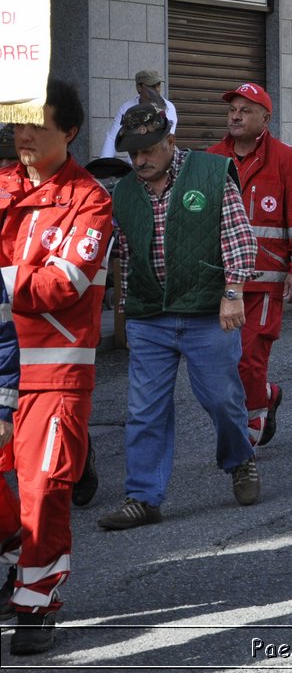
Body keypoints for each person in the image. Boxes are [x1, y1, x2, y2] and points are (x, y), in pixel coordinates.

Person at [99, 103, 260, 531]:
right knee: (144, 410)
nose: (140, 161)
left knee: (222, 400)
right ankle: (143, 497)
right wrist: (129, 313)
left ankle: (240, 460)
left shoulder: (210, 172)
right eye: (132, 153)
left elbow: (239, 236)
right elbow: (127, 257)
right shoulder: (125, 192)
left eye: (148, 150)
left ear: (170, 141)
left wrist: (232, 293)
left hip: (208, 311)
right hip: (150, 317)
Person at [0, 80, 113, 654]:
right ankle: (16, 556)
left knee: (44, 490)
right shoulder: (1, 185)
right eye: (17, 123)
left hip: (54, 373)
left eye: (36, 125)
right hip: (2, 370)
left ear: (68, 132)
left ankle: (36, 604)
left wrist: (2, 283)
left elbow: (63, 283)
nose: (22, 135)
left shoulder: (91, 199)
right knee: (6, 496)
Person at [206, 83, 292, 448]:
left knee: (250, 359)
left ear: (266, 119)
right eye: (232, 109)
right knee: (221, 364)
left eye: (246, 110)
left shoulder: (289, 160)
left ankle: (247, 437)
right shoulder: (209, 159)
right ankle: (266, 396)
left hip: (265, 282)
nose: (236, 115)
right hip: (221, 283)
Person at [99, 69, 178, 160]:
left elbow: (166, 139)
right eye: (152, 86)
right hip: (135, 163)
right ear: (139, 87)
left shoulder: (168, 107)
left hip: (159, 162)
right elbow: (112, 137)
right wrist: (103, 164)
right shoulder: (126, 108)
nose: (156, 89)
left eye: (158, 85)